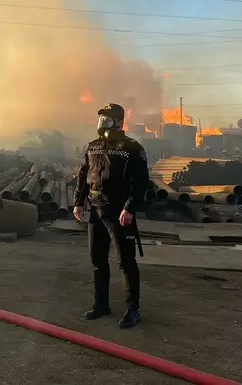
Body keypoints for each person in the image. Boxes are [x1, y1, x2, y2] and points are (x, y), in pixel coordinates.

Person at [73, 103, 149, 329]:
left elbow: (140, 182)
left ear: (119, 122)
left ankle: (133, 310)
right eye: (101, 119)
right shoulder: (93, 146)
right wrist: (78, 202)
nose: (103, 123)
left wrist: (130, 208)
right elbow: (82, 176)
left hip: (119, 213)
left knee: (125, 262)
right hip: (96, 210)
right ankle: (101, 304)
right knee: (97, 260)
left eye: (107, 119)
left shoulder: (132, 148)